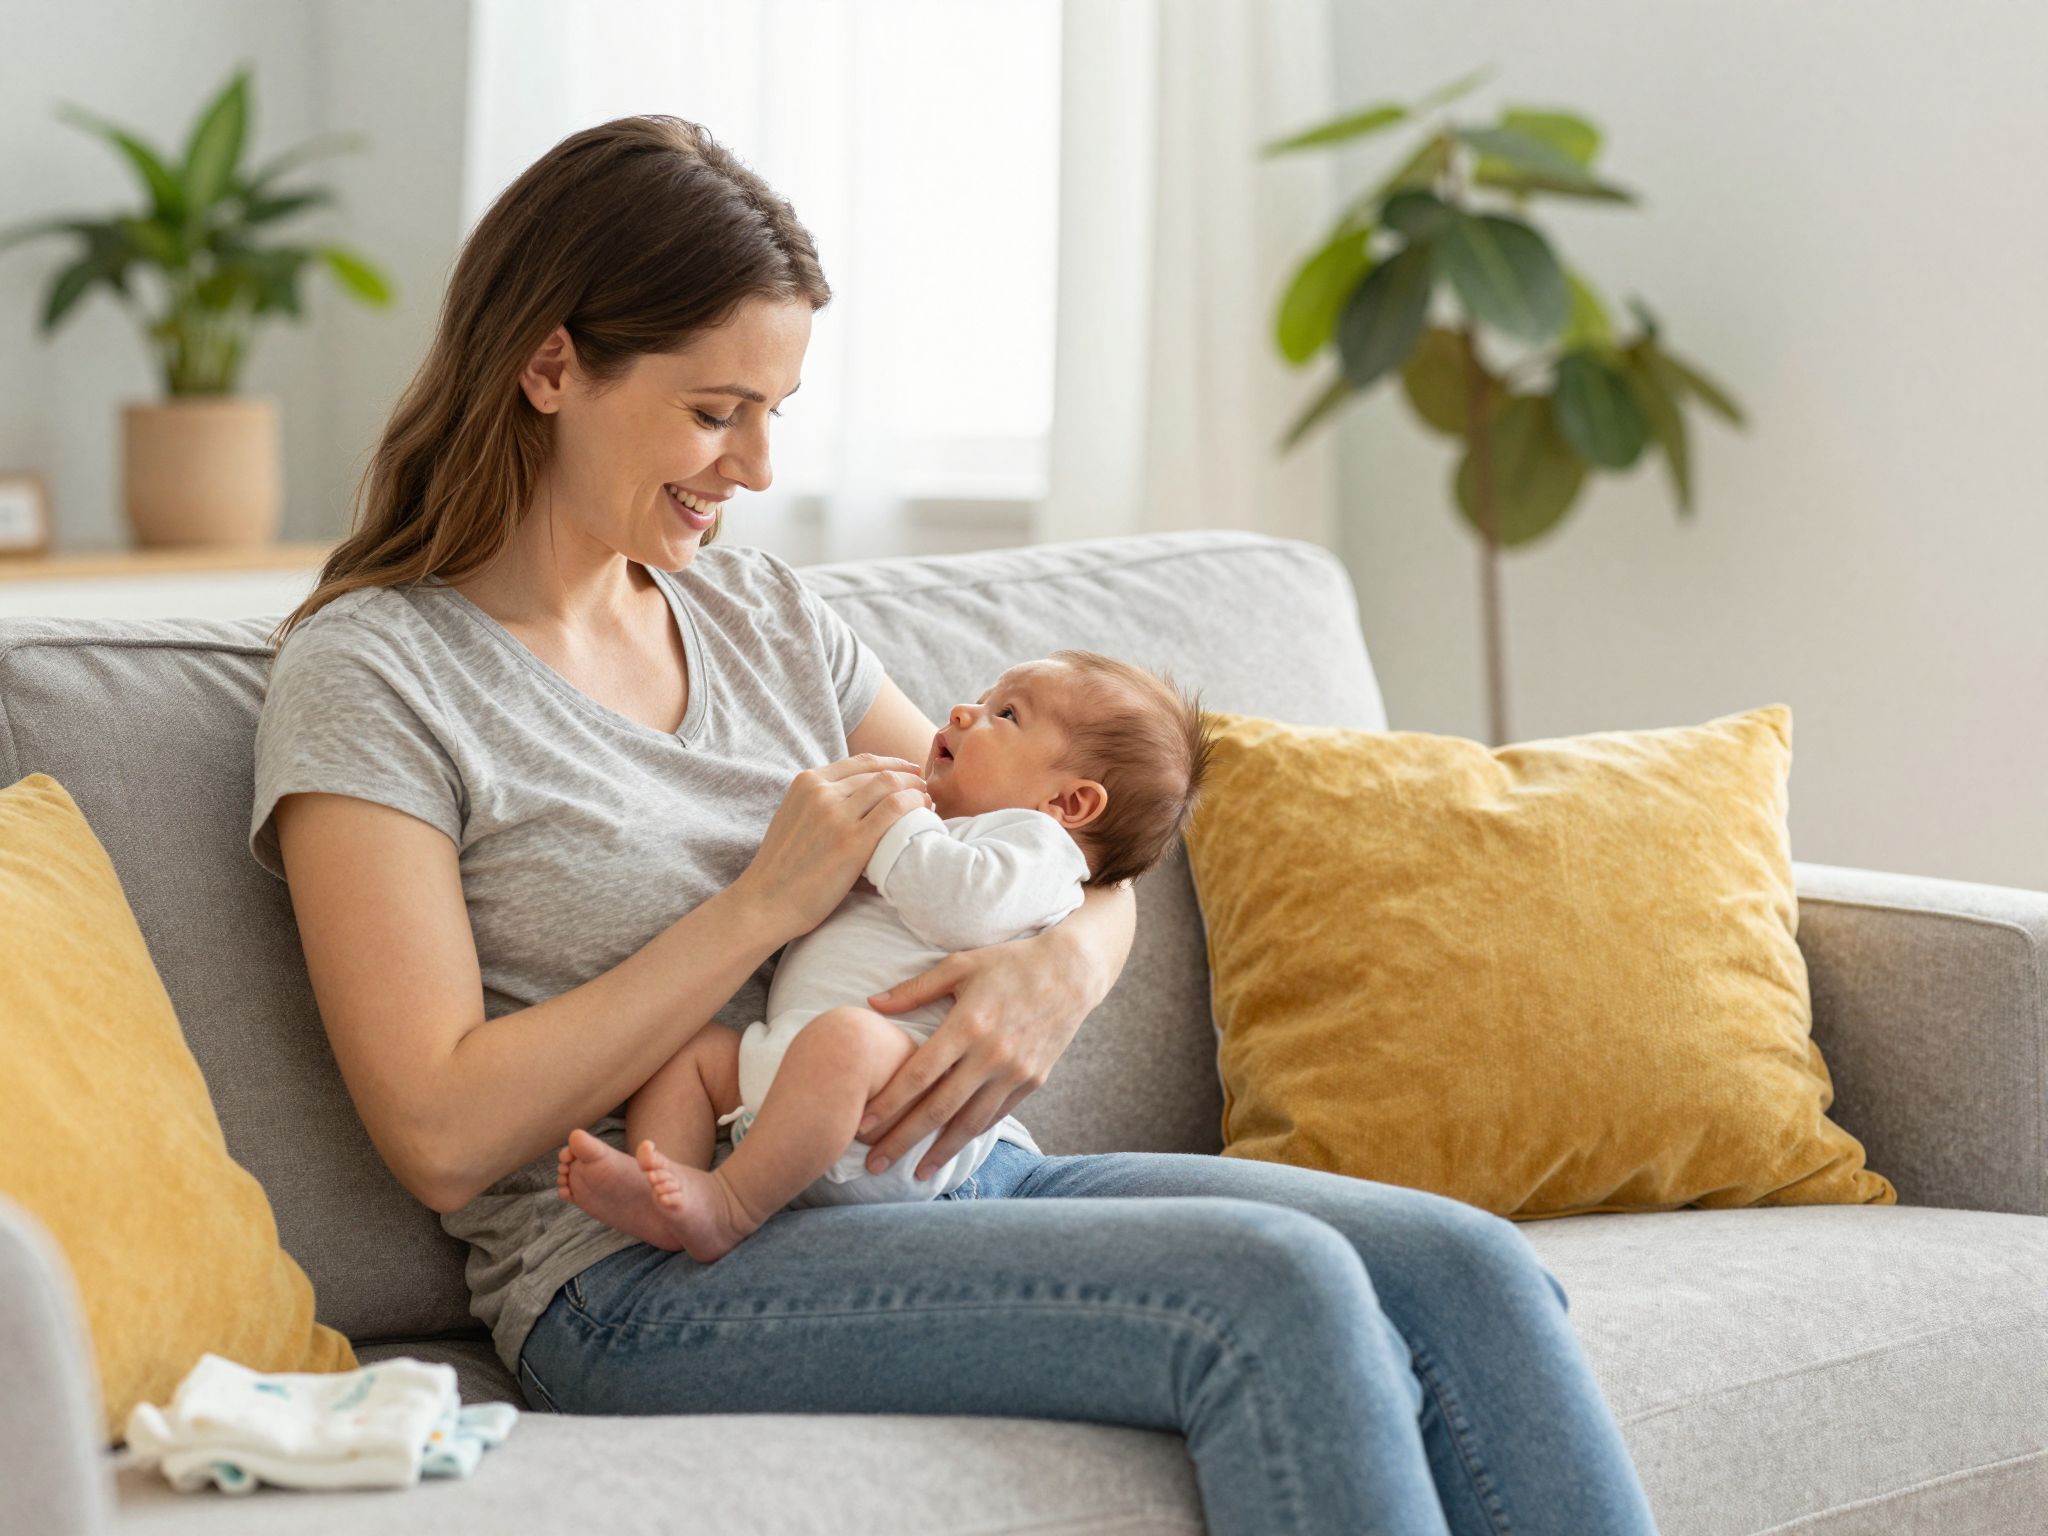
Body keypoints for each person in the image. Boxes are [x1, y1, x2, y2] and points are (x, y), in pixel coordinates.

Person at [249, 115, 1663, 1535]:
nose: (750, 470)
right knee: (1271, 1291)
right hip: (638, 1273)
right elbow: (437, 1130)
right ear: (552, 365)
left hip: (951, 1175)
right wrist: (757, 911)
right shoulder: (375, 676)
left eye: (773, 416)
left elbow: (1064, 847)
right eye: (713, 409)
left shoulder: (760, 615)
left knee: (1464, 1266)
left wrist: (1059, 972)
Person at [558, 649, 1212, 1262]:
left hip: (893, 1109)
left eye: (1006, 715)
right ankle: (666, 1187)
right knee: (689, 1053)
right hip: (796, 1080)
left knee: (844, 1039)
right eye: (983, 700)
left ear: (1069, 803)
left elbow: (958, 905)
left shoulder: (1038, 848)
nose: (962, 712)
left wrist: (891, 819)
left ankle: (728, 1206)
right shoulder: (953, 831)